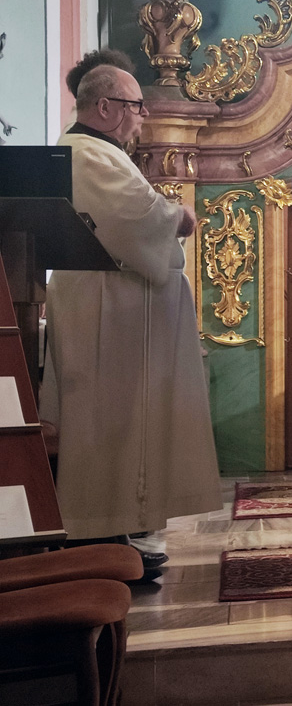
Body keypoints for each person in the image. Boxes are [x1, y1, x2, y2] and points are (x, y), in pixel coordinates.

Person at [41, 58, 222, 577]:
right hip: (104, 316)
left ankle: (118, 535)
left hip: (114, 313)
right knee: (105, 425)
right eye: (136, 106)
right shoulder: (88, 154)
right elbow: (139, 216)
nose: (142, 117)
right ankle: (99, 542)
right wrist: (178, 216)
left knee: (119, 426)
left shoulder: (96, 152)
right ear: (105, 107)